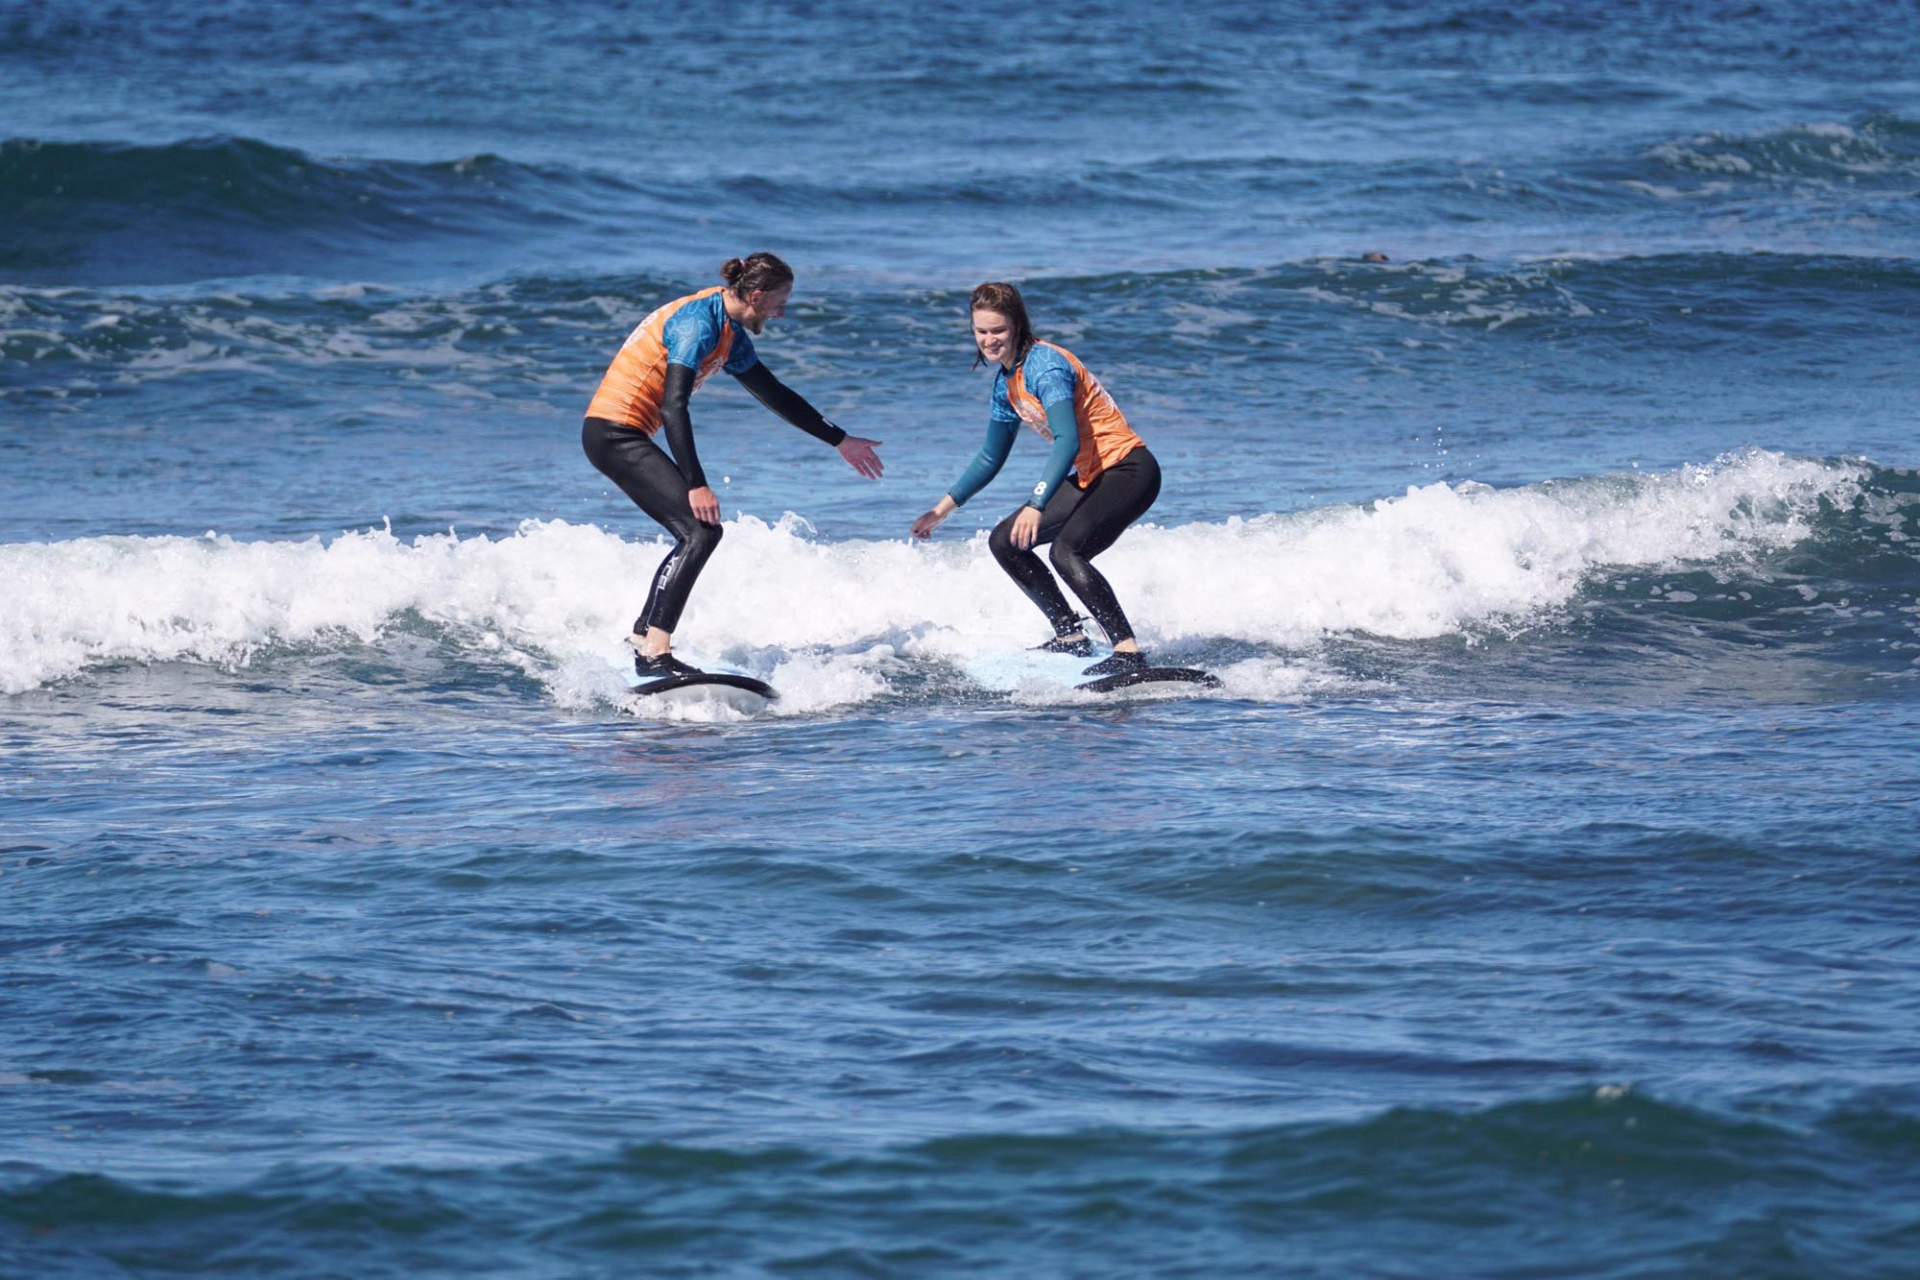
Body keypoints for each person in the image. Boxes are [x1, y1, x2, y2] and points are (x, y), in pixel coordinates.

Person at [582, 252, 883, 677]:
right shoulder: (697, 324)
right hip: (614, 433)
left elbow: (773, 392)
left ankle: (643, 637)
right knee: (700, 531)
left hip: (621, 434)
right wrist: (696, 483)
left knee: (696, 532)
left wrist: (840, 439)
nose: (782, 313)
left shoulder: (729, 332)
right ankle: (655, 652)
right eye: (780, 302)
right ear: (756, 296)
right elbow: (673, 406)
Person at [911, 282, 1161, 678]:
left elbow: (1067, 441)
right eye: (981, 331)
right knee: (1005, 541)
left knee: (1066, 552)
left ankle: (1128, 651)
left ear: (1017, 326)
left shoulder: (1046, 367)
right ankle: (1070, 637)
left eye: (999, 330)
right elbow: (991, 456)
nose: (989, 340)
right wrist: (941, 510)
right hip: (1091, 475)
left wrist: (1036, 503)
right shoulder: (1006, 383)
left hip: (1128, 469)